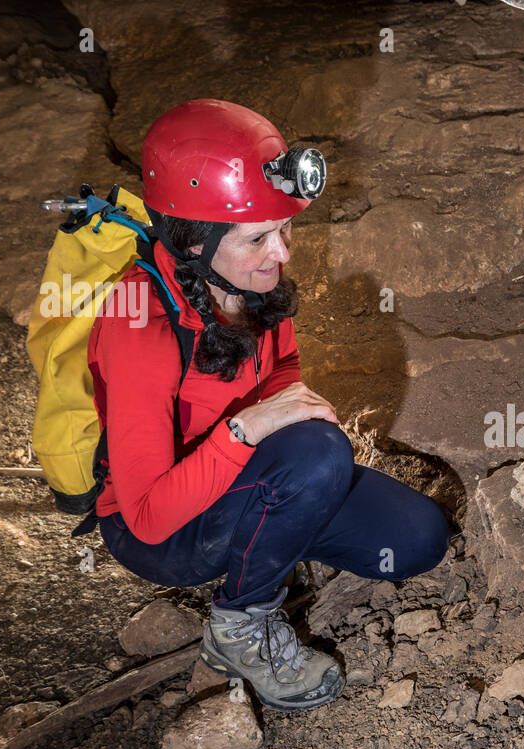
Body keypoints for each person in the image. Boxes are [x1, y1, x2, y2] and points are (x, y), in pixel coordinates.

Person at [88, 99, 450, 712]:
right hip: (161, 532)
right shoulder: (140, 325)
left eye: (284, 229)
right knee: (316, 452)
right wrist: (250, 429)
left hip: (237, 485)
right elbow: (148, 514)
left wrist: (279, 436)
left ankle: (273, 530)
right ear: (193, 241)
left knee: (418, 539)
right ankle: (238, 628)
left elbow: (281, 372)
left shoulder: (253, 289)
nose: (281, 252)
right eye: (257, 237)